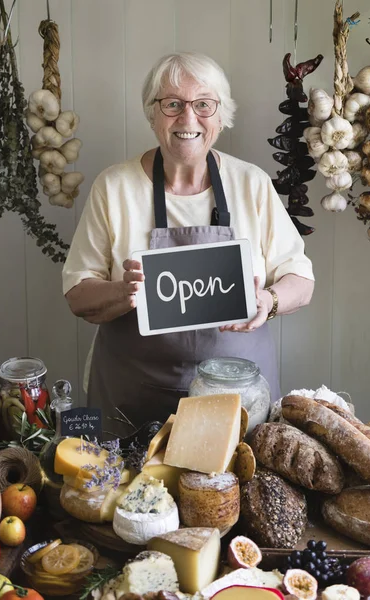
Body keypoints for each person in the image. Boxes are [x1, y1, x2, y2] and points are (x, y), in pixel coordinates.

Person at [62, 52, 314, 433]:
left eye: (203, 104)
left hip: (237, 404)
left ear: (221, 113)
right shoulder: (114, 187)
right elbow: (77, 294)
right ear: (152, 112)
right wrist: (121, 292)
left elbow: (301, 280)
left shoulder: (251, 184)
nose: (188, 118)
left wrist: (270, 300)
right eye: (172, 104)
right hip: (133, 400)